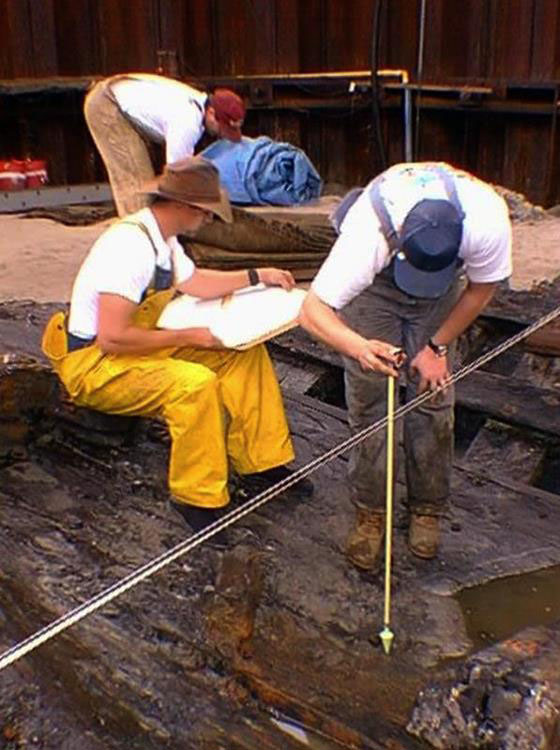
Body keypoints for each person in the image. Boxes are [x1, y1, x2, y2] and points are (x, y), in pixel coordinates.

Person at [42, 156, 310, 542]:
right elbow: (112, 337)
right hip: (96, 364)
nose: (209, 220)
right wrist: (187, 337)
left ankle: (262, 463)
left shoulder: (162, 240)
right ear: (186, 207)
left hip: (134, 350)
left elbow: (197, 283)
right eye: (206, 212)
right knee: (194, 384)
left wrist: (256, 276)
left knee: (243, 355)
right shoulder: (129, 247)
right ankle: (196, 500)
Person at [299, 161, 512, 571]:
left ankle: (427, 508)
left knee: (433, 393)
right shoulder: (368, 234)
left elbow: (482, 289)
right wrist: (359, 346)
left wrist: (437, 346)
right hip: (377, 289)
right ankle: (371, 511)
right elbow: (311, 311)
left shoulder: (487, 221)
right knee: (369, 398)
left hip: (443, 292)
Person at [84, 73, 245, 217]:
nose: (221, 134)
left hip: (119, 97)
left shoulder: (197, 103)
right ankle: (140, 240)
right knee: (138, 189)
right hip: (107, 104)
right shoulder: (187, 122)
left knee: (147, 184)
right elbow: (177, 175)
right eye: (222, 127)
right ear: (211, 113)